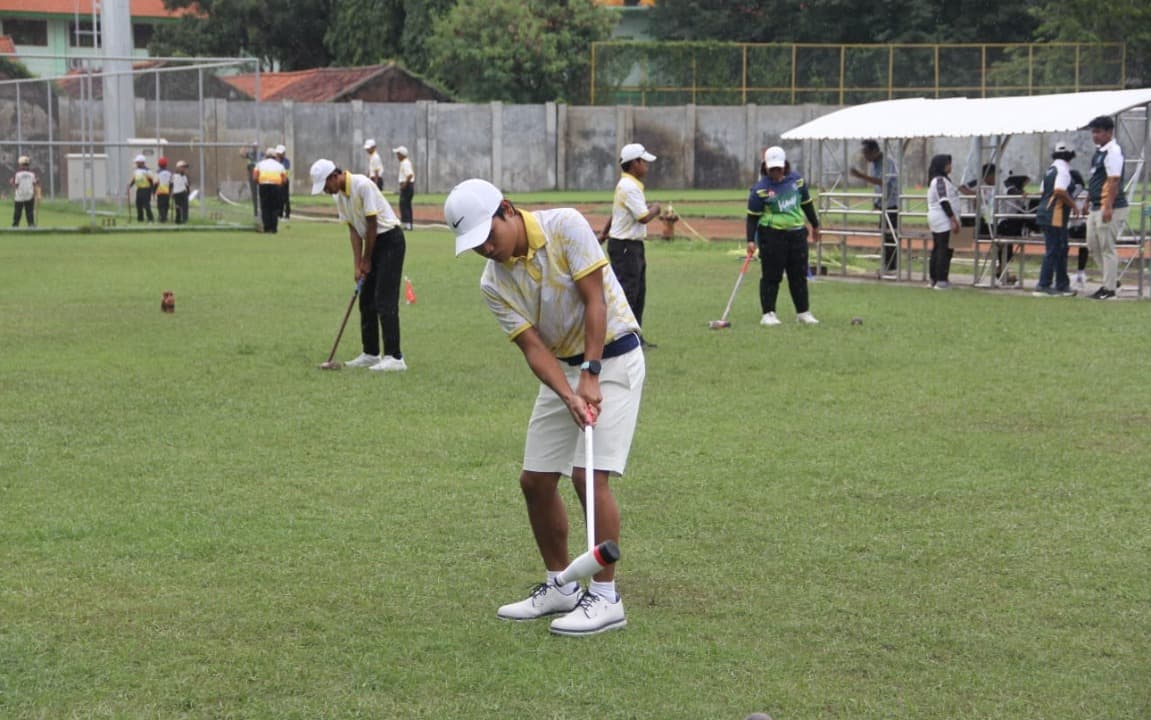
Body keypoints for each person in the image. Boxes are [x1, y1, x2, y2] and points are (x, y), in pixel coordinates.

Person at [443, 178, 643, 637]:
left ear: (507, 209)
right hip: (564, 370)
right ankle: (561, 585)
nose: (486, 249)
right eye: (475, 245)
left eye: (488, 236)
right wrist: (569, 392)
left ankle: (606, 598)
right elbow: (533, 348)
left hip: (612, 355)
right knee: (534, 480)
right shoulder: (492, 284)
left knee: (587, 476)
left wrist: (591, 374)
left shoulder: (566, 225)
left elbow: (595, 299)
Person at [309, 158, 408, 372]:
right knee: (366, 300)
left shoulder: (362, 185)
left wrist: (367, 259)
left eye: (325, 185)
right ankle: (371, 353)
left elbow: (372, 225)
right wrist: (357, 265)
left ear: (334, 176)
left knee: (384, 299)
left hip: (390, 240)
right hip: (372, 244)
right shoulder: (340, 198)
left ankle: (395, 357)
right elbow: (354, 231)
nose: (326, 190)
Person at [746, 146, 821, 324]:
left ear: (785, 165)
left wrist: (815, 225)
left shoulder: (797, 181)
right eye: (771, 168)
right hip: (771, 236)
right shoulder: (760, 190)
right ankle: (768, 313)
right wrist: (750, 240)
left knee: (798, 276)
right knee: (772, 276)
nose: (775, 172)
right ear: (765, 167)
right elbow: (752, 218)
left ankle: (803, 312)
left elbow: (807, 203)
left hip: (797, 235)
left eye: (778, 168)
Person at [598, 142, 660, 346]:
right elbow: (642, 217)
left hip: (630, 246)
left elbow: (615, 213)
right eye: (644, 162)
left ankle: (635, 337)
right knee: (629, 293)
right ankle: (625, 339)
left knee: (638, 293)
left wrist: (604, 233)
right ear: (635, 163)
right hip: (626, 247)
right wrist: (656, 209)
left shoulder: (627, 185)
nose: (647, 166)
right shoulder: (629, 187)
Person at [1082, 115, 1128, 300]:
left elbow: (1113, 180)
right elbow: (1095, 179)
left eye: (1099, 132)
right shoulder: (1099, 152)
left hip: (1109, 206)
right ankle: (1111, 279)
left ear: (1109, 132)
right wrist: (1087, 200)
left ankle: (1108, 289)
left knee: (1107, 246)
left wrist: (1107, 206)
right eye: (1093, 132)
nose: (1095, 135)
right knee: (1092, 244)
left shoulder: (1113, 151)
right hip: (1095, 205)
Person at [1032, 142, 1079, 297]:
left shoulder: (1050, 170)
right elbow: (1059, 190)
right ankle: (1044, 284)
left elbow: (1042, 191)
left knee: (1060, 249)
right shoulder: (1064, 170)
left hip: (1046, 212)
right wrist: (1074, 205)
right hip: (1055, 215)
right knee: (1054, 249)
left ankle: (1062, 284)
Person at [849, 139, 899, 274]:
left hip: (891, 204)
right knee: (884, 234)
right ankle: (887, 265)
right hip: (883, 204)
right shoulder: (875, 163)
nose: (865, 157)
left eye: (866, 153)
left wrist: (861, 176)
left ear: (874, 151)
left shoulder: (887, 162)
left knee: (890, 235)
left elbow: (882, 181)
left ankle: (891, 267)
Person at [926, 153, 960, 289]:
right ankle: (941, 280)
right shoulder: (940, 180)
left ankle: (935, 278)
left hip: (939, 218)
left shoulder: (940, 180)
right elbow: (944, 200)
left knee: (938, 248)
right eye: (948, 163)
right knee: (944, 249)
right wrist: (953, 219)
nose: (950, 166)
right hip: (942, 219)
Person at [253, 147, 286, 233]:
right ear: (275, 156)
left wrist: (259, 183)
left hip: (263, 185)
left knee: (265, 207)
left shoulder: (259, 164)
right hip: (276, 186)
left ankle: (267, 228)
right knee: (274, 208)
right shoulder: (280, 166)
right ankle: (274, 228)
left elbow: (255, 177)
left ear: (266, 156)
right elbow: (284, 179)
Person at [126, 154, 155, 223]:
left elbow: (151, 181)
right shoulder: (136, 171)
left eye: (137, 162)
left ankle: (150, 219)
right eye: (136, 162)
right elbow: (134, 179)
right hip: (139, 189)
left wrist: (152, 191)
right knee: (138, 204)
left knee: (146, 205)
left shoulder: (147, 171)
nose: (136, 164)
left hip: (146, 189)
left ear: (142, 162)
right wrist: (130, 186)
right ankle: (140, 219)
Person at [10, 155, 38, 227]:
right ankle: (31, 224)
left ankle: (15, 225)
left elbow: (16, 185)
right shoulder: (32, 174)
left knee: (17, 212)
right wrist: (35, 194)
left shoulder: (17, 174)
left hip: (19, 196)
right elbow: (34, 184)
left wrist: (11, 182)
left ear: (20, 165)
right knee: (29, 212)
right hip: (29, 196)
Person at [393, 145, 415, 230]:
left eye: (398, 154)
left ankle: (407, 224)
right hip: (408, 185)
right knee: (406, 205)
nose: (397, 156)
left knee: (404, 204)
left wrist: (404, 185)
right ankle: (408, 224)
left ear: (402, 154)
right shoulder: (405, 162)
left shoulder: (405, 163)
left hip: (407, 186)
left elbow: (409, 175)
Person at [242, 141, 260, 218]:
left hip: (260, 177)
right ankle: (256, 213)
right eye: (253, 146)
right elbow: (241, 154)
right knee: (254, 195)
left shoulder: (261, 154)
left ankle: (262, 212)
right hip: (252, 177)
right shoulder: (250, 154)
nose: (255, 148)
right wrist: (244, 145)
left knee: (262, 195)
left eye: (256, 146)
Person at [275, 144, 292, 220]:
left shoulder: (286, 161)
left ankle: (287, 215)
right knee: (278, 198)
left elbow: (285, 170)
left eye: (280, 153)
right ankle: (280, 214)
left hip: (284, 181)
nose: (279, 154)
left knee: (285, 198)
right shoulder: (275, 160)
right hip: (277, 181)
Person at [154, 156, 172, 223]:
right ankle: (165, 216)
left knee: (160, 205)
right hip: (167, 192)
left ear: (159, 165)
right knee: (166, 205)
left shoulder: (157, 173)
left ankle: (162, 217)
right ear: (166, 165)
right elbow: (171, 183)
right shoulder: (169, 173)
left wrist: (153, 191)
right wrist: (170, 191)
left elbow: (156, 183)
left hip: (160, 191)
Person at [172, 160, 190, 225]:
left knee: (185, 207)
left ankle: (185, 220)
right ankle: (178, 219)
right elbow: (172, 185)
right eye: (183, 167)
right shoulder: (174, 176)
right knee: (178, 208)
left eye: (185, 167)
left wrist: (188, 192)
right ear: (178, 168)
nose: (184, 169)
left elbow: (187, 185)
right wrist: (171, 193)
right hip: (177, 193)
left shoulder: (185, 176)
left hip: (184, 193)